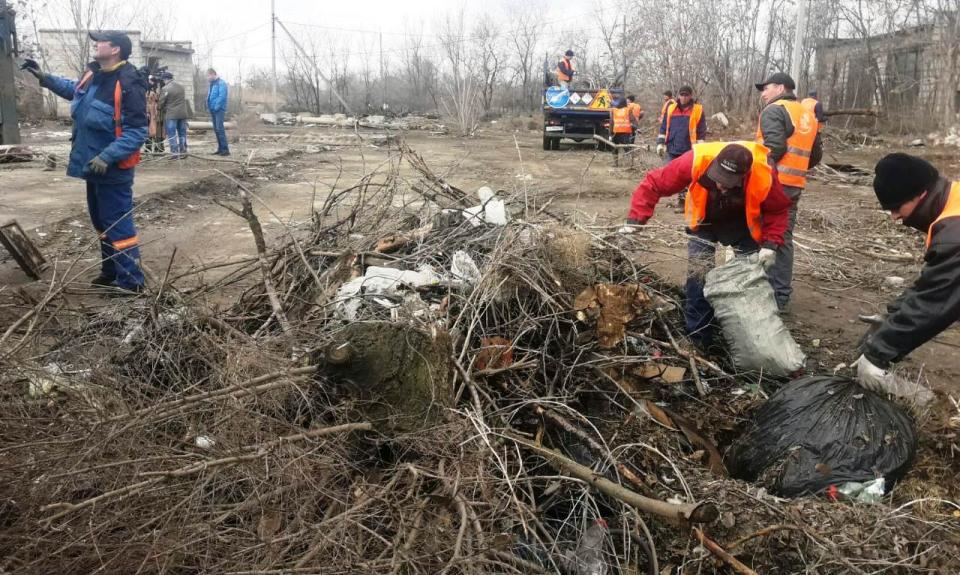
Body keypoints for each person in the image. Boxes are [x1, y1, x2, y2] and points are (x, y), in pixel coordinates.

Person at [621, 141, 792, 349]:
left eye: (728, 182)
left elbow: (778, 210)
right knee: (698, 275)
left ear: (744, 176)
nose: (720, 185)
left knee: (748, 281)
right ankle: (699, 337)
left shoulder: (763, 174)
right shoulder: (695, 160)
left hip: (743, 224)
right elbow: (654, 183)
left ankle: (745, 338)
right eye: (718, 177)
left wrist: (771, 243)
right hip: (704, 221)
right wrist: (636, 220)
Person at [22, 31, 147, 294]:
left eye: (100, 41)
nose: (95, 44)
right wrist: (45, 78)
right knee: (101, 223)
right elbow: (74, 91)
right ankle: (111, 272)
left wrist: (107, 156)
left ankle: (131, 283)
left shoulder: (128, 83)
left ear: (115, 50)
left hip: (112, 170)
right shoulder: (93, 74)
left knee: (118, 224)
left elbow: (137, 131)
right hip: (92, 167)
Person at [854, 153, 955, 405]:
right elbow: (933, 284)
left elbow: (935, 302)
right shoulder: (953, 203)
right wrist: (892, 316)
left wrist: (877, 355)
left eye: (896, 208)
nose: (894, 217)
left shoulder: (956, 233)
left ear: (921, 194)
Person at [754, 72, 822, 311]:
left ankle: (760, 290)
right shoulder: (808, 114)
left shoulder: (774, 110)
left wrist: (760, 174)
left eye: (766, 88)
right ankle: (780, 296)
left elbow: (774, 147)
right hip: (794, 184)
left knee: (763, 234)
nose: (763, 93)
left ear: (781, 88)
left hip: (773, 183)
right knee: (783, 238)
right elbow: (816, 155)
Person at [657, 85, 706, 207]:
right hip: (672, 147)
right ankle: (678, 197)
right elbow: (664, 127)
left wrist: (700, 146)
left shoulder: (698, 109)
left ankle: (683, 201)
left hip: (689, 148)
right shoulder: (671, 108)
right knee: (671, 174)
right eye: (682, 94)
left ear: (691, 96)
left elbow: (701, 130)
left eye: (686, 95)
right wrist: (660, 143)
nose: (684, 97)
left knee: (687, 175)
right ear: (678, 95)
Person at [159, 72, 189, 158]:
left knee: (172, 134)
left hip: (171, 114)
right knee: (182, 133)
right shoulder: (181, 87)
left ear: (165, 79)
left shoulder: (165, 88)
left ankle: (174, 153)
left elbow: (161, 103)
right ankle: (183, 152)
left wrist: (160, 107)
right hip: (183, 114)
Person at [206, 68, 229, 155]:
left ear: (213, 74)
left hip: (219, 110)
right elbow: (210, 96)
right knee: (216, 129)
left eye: (208, 76)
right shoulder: (212, 84)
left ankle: (225, 150)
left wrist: (216, 107)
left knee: (220, 129)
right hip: (213, 109)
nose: (207, 77)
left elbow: (222, 97)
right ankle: (220, 148)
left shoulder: (221, 83)